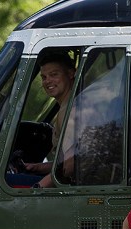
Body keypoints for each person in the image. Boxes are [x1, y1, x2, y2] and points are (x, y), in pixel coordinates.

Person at [23, 51, 76, 188]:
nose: (47, 81)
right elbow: (65, 163)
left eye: (54, 75)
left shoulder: (71, 110)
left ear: (71, 74)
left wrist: (38, 187)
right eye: (44, 77)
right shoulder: (67, 106)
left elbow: (72, 164)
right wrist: (38, 167)